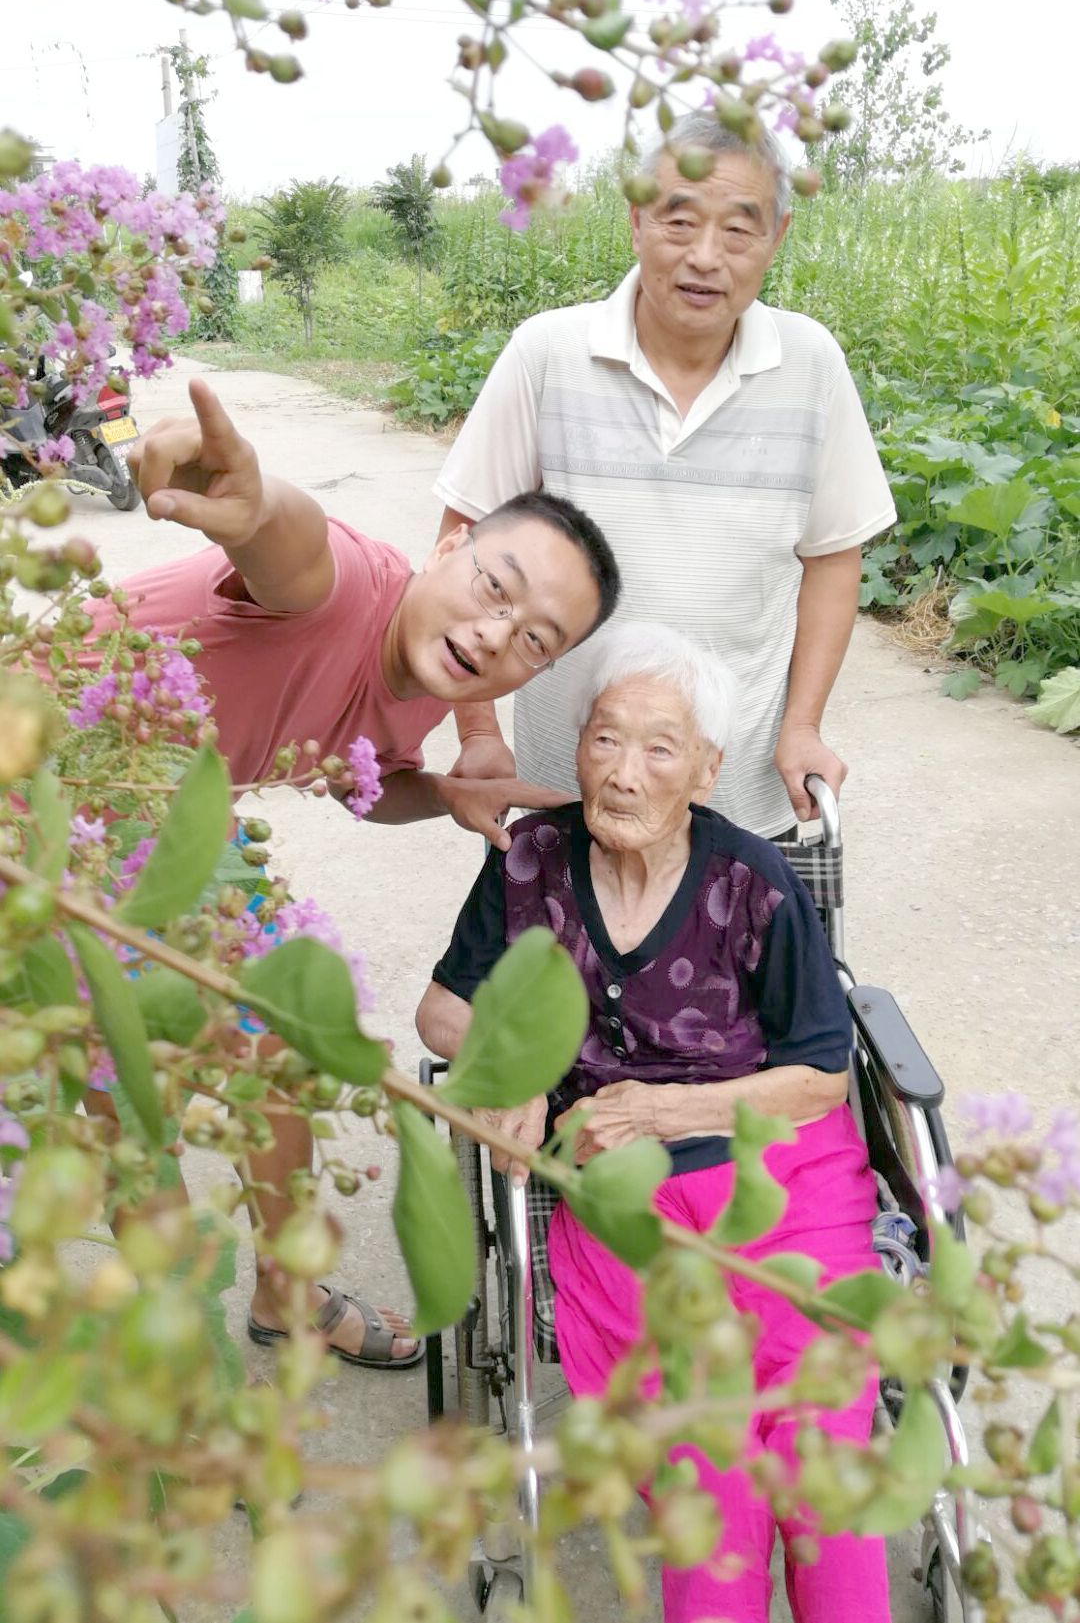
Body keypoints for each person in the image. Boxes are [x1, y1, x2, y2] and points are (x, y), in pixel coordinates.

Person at [84, 377, 620, 1369]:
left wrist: (441, 797)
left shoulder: (430, 672)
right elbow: (290, 549)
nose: (500, 634)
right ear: (448, 548)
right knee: (128, 1087)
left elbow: (358, 777)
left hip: (168, 823)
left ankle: (283, 1297)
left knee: (289, 1047)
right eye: (496, 590)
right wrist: (254, 504)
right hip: (46, 793)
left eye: (535, 639)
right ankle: (181, 1367)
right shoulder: (349, 585)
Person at [416, 624, 889, 1621]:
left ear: (706, 771)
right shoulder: (531, 860)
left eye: (660, 747)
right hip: (626, 1199)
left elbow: (818, 1074)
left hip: (780, 1175)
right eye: (604, 739)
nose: (624, 773)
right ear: (578, 745)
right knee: (700, 1445)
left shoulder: (753, 881)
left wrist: (676, 1106)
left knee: (816, 1439)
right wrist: (528, 1062)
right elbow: (442, 1012)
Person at [432, 111, 896, 841]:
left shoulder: (811, 365)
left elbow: (833, 556)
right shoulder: (548, 353)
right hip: (566, 790)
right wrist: (478, 733)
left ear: (778, 237)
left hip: (737, 794)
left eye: (739, 230)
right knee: (546, 955)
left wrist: (803, 725)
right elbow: (465, 545)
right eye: (679, 223)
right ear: (637, 221)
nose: (705, 257)